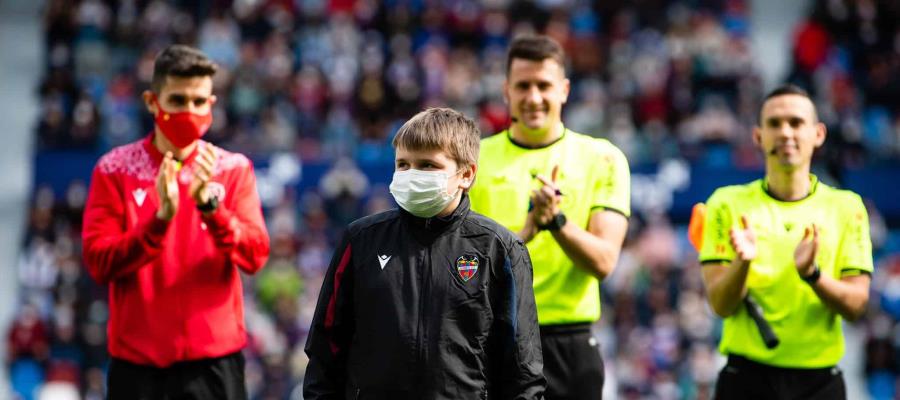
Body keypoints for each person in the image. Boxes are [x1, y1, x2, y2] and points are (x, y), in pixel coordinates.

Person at [303, 107, 545, 399]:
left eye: (428, 165)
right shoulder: (361, 240)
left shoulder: (499, 248)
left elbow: (523, 371)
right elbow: (325, 352)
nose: (411, 174)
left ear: (466, 174)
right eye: (403, 164)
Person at [81, 45, 270, 399]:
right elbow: (98, 262)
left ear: (211, 105)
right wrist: (158, 221)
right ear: (153, 102)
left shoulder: (232, 169)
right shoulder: (115, 169)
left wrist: (212, 210)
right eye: (178, 100)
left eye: (199, 101)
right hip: (137, 367)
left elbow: (255, 255)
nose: (189, 111)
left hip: (214, 365)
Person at [469, 35, 631, 399]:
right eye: (523, 86)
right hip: (493, 336)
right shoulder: (474, 159)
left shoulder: (602, 158)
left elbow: (604, 262)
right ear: (506, 90)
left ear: (564, 90)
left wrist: (556, 222)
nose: (534, 97)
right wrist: (526, 231)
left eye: (544, 85)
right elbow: (462, 260)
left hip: (568, 340)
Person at [698, 84, 872, 399]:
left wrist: (813, 276)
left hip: (820, 383)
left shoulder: (847, 207)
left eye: (796, 122)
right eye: (774, 124)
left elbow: (857, 306)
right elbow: (721, 305)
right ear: (757, 136)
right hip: (745, 379)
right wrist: (742, 263)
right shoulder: (725, 203)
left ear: (818, 134)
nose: (786, 132)